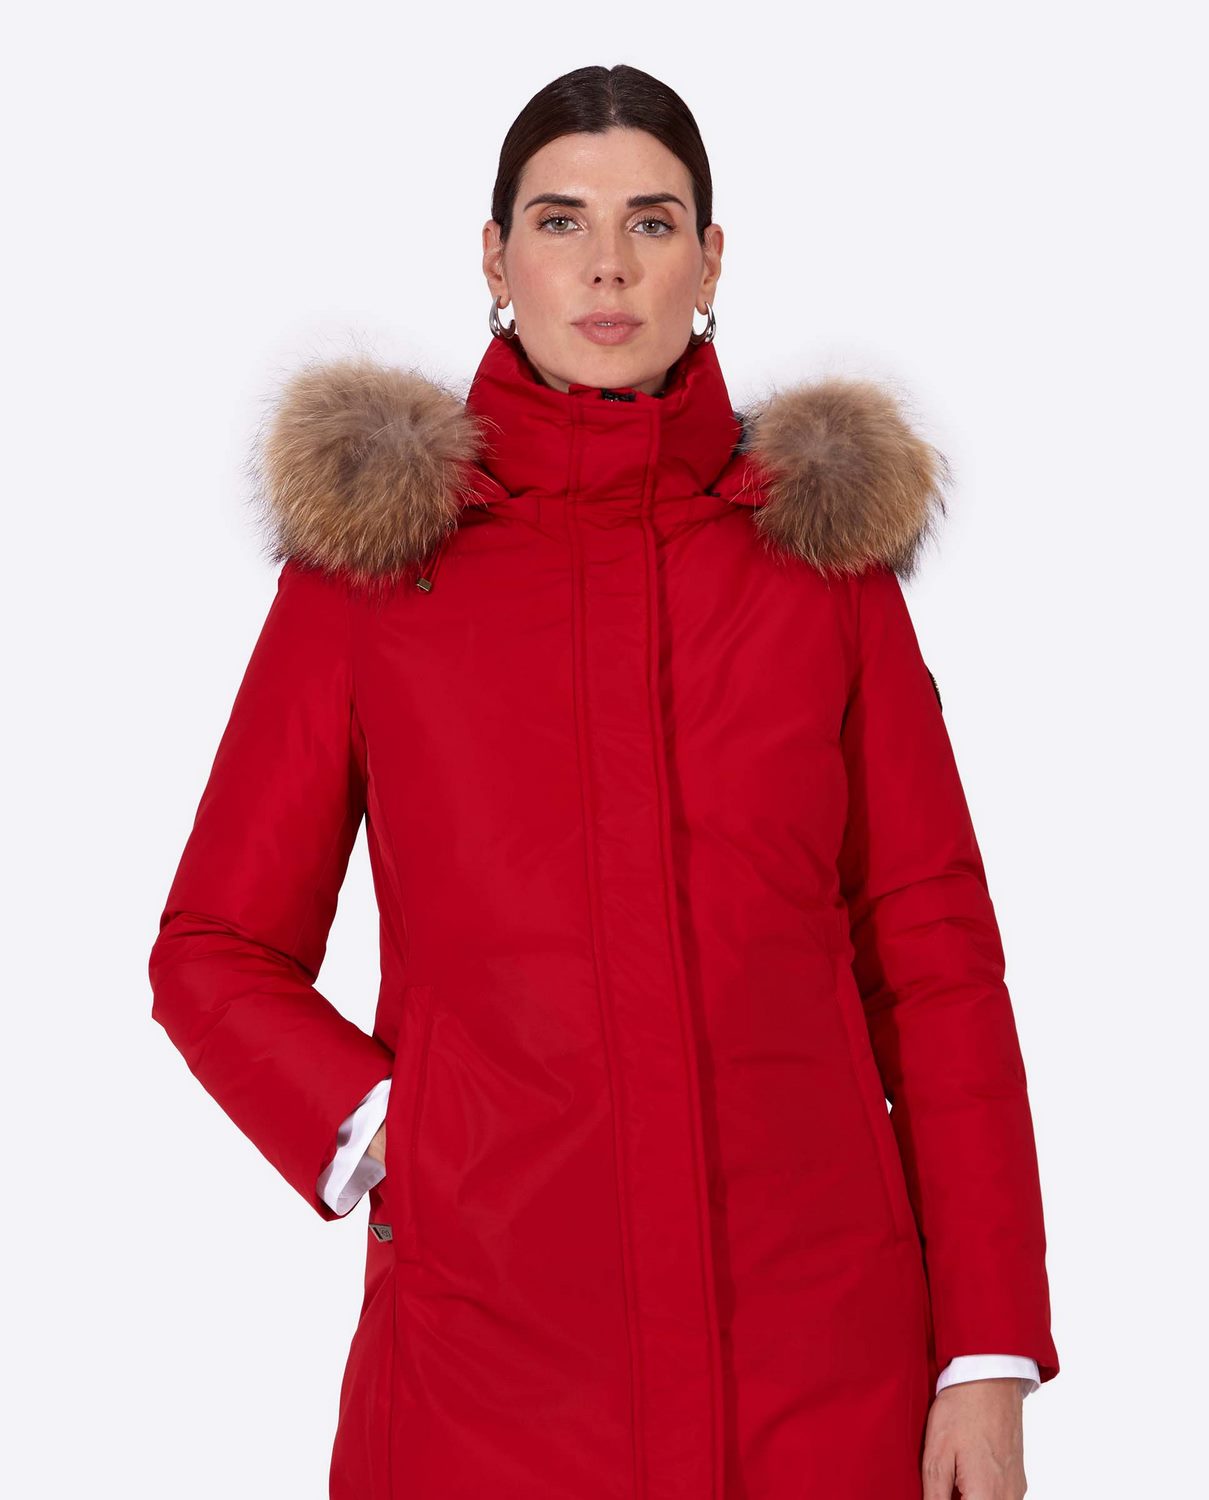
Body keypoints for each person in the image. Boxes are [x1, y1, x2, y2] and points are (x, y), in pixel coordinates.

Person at [149, 62, 1059, 1500]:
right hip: (487, 1361)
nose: (608, 266)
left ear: (711, 258)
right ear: (495, 257)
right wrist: (399, 1135)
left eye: (652, 220)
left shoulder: (819, 573)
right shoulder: (373, 579)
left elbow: (933, 961)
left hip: (819, 1355)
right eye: (561, 220)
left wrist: (988, 1354)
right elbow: (213, 946)